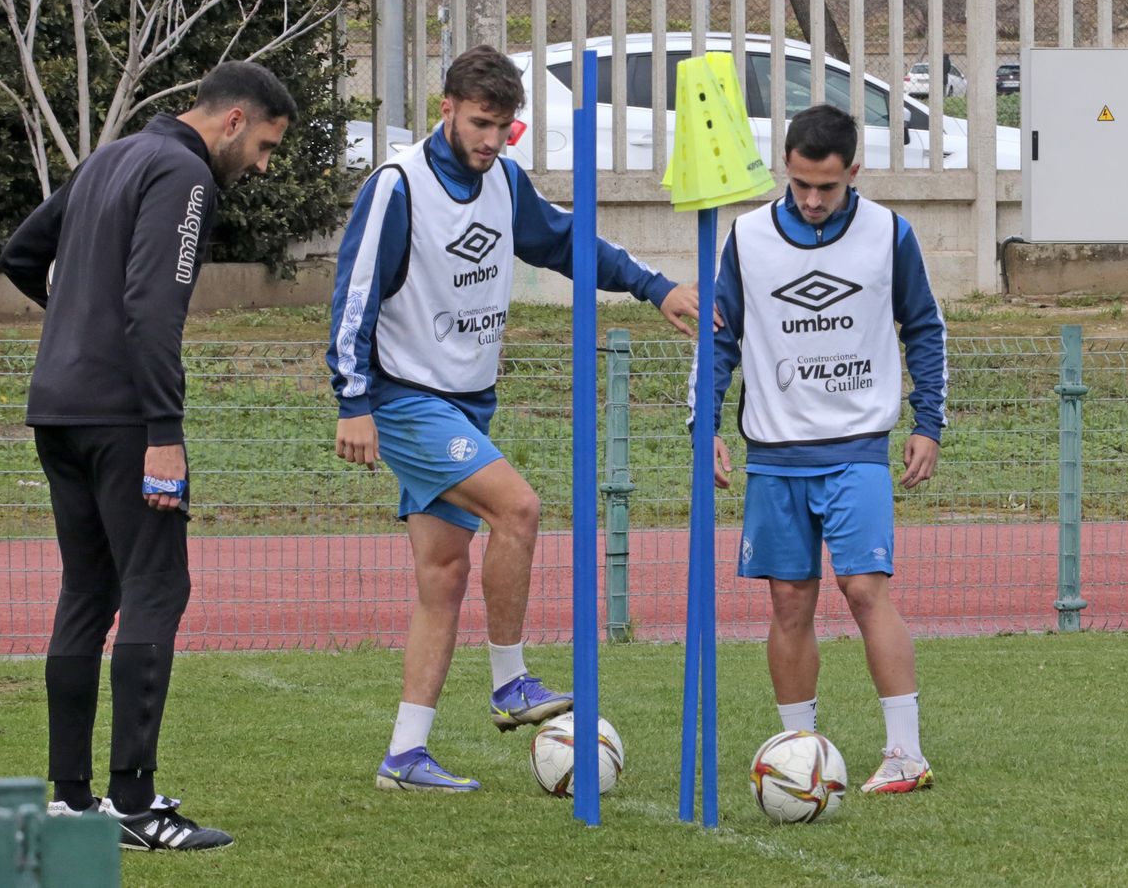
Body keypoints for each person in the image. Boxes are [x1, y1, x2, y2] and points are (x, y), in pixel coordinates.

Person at [328, 45, 708, 791]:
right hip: (406, 397)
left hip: (467, 399)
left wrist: (654, 287)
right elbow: (354, 294)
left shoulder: (503, 181)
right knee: (521, 509)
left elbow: (569, 243)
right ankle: (511, 683)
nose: (492, 140)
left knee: (442, 575)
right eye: (479, 123)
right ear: (446, 109)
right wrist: (353, 401)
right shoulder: (396, 186)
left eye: (505, 127)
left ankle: (404, 756)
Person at [0, 61, 296, 849]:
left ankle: (69, 800)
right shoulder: (182, 171)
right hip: (126, 419)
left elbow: (21, 255)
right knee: (156, 587)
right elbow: (153, 307)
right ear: (233, 121)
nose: (263, 165)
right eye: (266, 146)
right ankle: (136, 806)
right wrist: (165, 430)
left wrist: (76, 324)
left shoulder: (109, 156)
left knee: (86, 592)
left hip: (56, 410)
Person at [704, 104, 948, 794]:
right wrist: (707, 428)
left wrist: (928, 422)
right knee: (788, 602)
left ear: (854, 173)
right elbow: (720, 338)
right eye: (802, 184)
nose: (812, 200)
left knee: (866, 587)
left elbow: (924, 327)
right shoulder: (747, 236)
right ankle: (797, 752)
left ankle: (906, 753)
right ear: (786, 167)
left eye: (828, 187)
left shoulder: (890, 234)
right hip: (776, 452)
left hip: (857, 446)